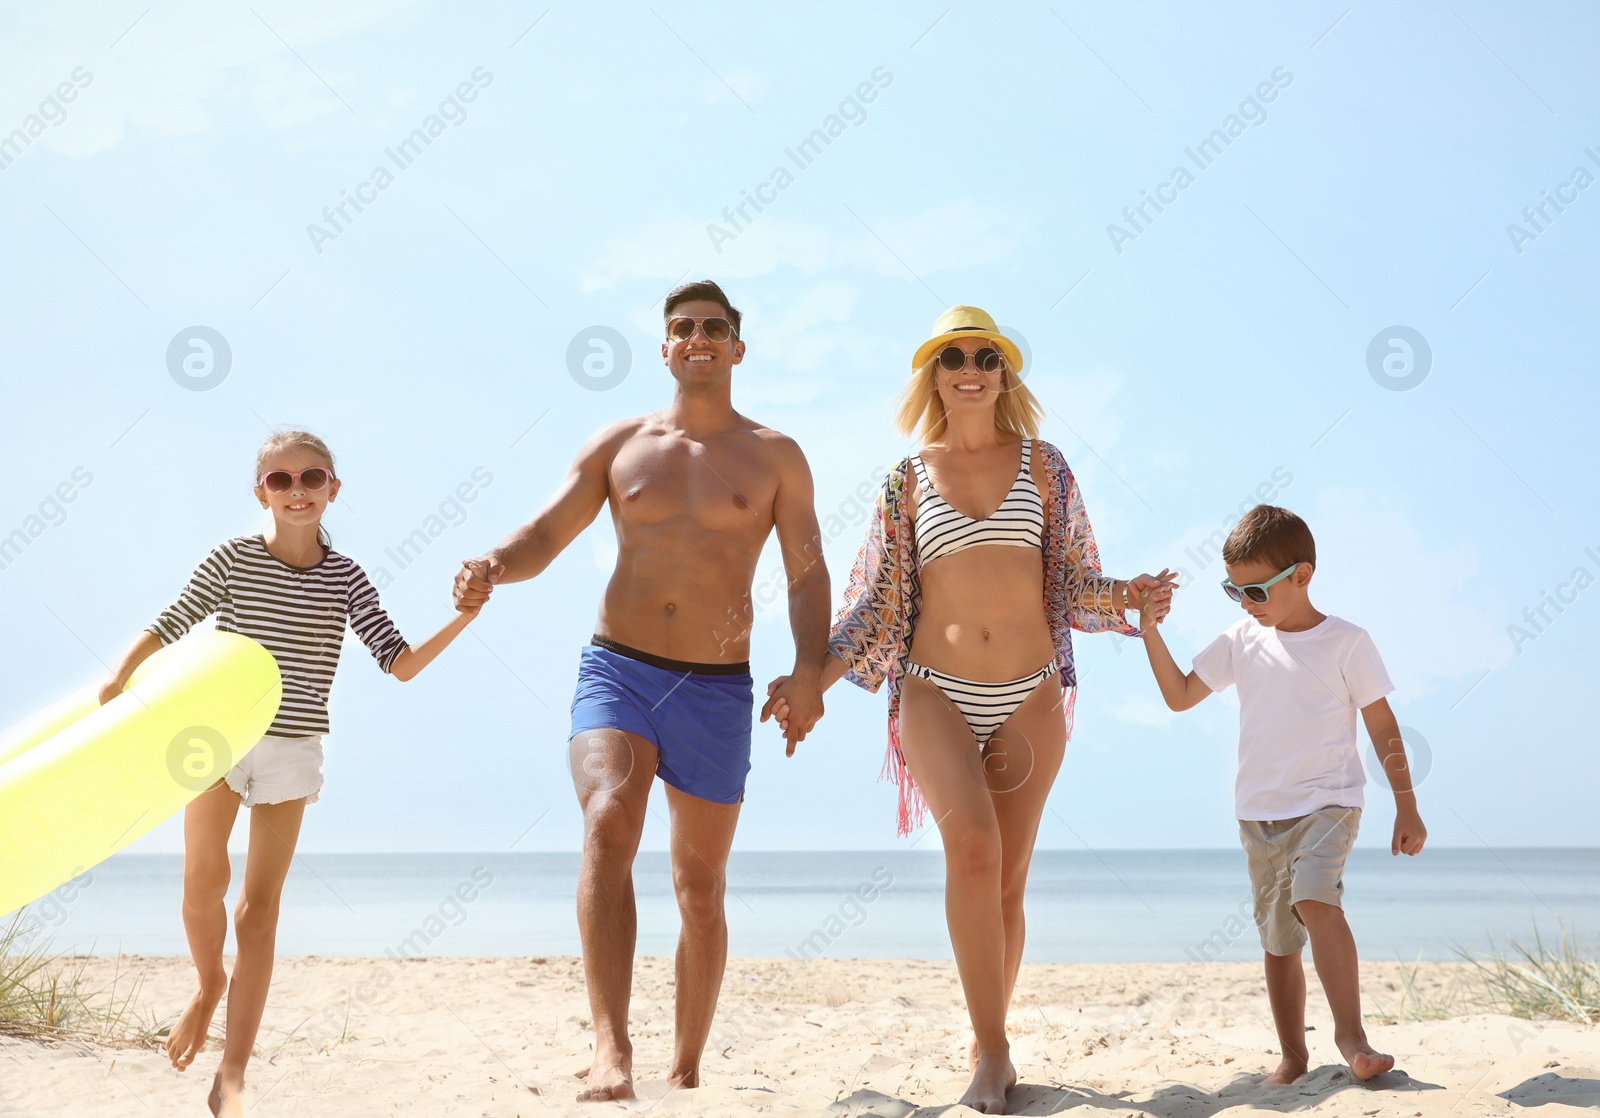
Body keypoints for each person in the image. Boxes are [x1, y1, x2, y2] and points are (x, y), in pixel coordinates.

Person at [764, 306, 1173, 1113]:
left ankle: (993, 1029)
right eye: (954, 356)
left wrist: (1128, 595)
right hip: (932, 687)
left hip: (1030, 692)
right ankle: (993, 1052)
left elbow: (1072, 580)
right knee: (975, 851)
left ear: (1004, 373)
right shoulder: (905, 479)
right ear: (935, 375)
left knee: (1011, 883)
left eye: (987, 355)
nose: (971, 367)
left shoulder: (1047, 467)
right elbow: (879, 603)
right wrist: (811, 676)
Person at [452, 279, 829, 1102]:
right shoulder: (620, 442)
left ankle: (686, 1064)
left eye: (714, 328)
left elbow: (806, 576)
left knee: (699, 886)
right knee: (607, 821)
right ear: (664, 348)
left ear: (738, 347)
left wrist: (808, 671)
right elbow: (547, 532)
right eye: (682, 328)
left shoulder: (775, 455)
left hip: (718, 687)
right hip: (617, 668)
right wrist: (493, 565)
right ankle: (609, 1049)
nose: (697, 337)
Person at [98, 428, 477, 1117]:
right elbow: (173, 621)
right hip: (217, 735)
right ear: (261, 493)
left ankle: (234, 1072)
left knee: (259, 913)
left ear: (334, 488)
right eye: (281, 480)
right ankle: (209, 986)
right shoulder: (232, 560)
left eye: (312, 477)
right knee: (201, 882)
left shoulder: (347, 577)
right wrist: (118, 678)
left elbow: (399, 661)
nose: (297, 491)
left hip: (294, 747)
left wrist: (464, 616)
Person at [1135, 504, 1426, 1085]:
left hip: (1329, 803)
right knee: (1278, 938)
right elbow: (1180, 695)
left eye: (1257, 591)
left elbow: (1382, 726)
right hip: (1260, 815)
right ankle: (1294, 1055)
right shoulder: (1241, 640)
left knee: (1317, 900)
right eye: (1234, 591)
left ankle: (1352, 1037)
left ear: (1302, 575)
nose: (1246, 604)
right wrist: (1148, 629)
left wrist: (1406, 802)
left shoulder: (1347, 642)